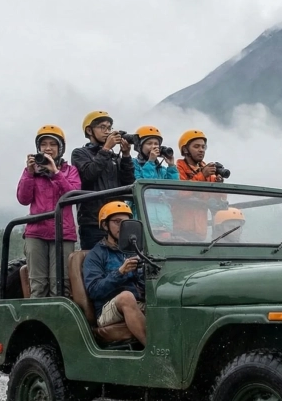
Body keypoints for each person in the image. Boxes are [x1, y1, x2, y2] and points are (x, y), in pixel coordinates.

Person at [16, 125, 81, 298]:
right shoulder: (31, 173)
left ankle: (59, 324)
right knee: (37, 285)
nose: (48, 148)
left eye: (53, 144)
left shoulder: (70, 171)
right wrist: (29, 174)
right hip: (36, 233)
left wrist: (55, 173)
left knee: (61, 285)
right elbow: (23, 199)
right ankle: (38, 324)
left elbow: (73, 195)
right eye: (44, 144)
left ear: (60, 148)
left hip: (63, 233)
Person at [82, 202, 147, 346]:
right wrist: (120, 272)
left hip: (138, 302)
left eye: (125, 223)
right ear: (105, 225)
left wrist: (144, 272)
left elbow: (144, 284)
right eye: (117, 222)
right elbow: (94, 290)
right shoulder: (95, 255)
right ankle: (155, 353)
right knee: (126, 297)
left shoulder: (135, 250)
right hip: (106, 309)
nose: (122, 227)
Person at [71, 110, 135, 250]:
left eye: (109, 128)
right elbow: (88, 175)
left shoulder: (113, 157)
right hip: (93, 221)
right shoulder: (79, 153)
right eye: (102, 127)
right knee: (93, 262)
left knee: (121, 261)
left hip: (117, 219)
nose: (107, 132)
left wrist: (125, 156)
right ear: (89, 130)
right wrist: (106, 149)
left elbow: (129, 183)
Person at [172, 129, 227, 241]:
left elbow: (220, 200)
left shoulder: (208, 171)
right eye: (196, 146)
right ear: (185, 149)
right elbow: (180, 192)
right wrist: (202, 175)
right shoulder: (176, 169)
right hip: (179, 231)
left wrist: (219, 185)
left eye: (203, 147)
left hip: (200, 232)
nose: (201, 150)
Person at [132, 125, 179, 236]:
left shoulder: (162, 170)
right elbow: (144, 186)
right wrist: (150, 162)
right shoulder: (134, 164)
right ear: (139, 146)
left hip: (164, 222)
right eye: (149, 143)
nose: (153, 147)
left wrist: (171, 166)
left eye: (156, 144)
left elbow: (173, 192)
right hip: (143, 221)